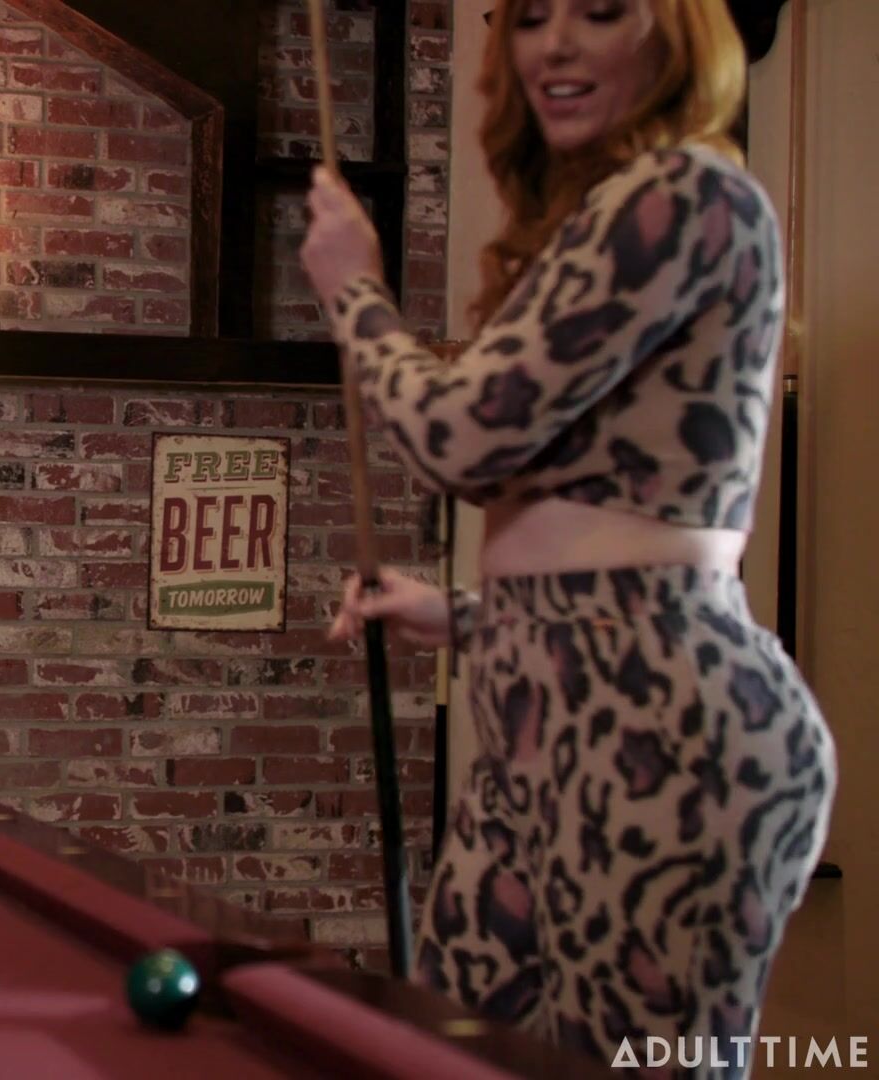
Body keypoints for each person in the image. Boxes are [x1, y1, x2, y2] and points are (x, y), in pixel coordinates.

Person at [298, 0, 836, 1074]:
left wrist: (355, 289)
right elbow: (603, 522)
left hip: (668, 748)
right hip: (543, 742)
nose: (554, 43)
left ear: (673, 32)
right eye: (532, 16)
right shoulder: (597, 218)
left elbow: (462, 438)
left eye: (600, 10)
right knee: (447, 1057)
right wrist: (464, 615)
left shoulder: (688, 191)